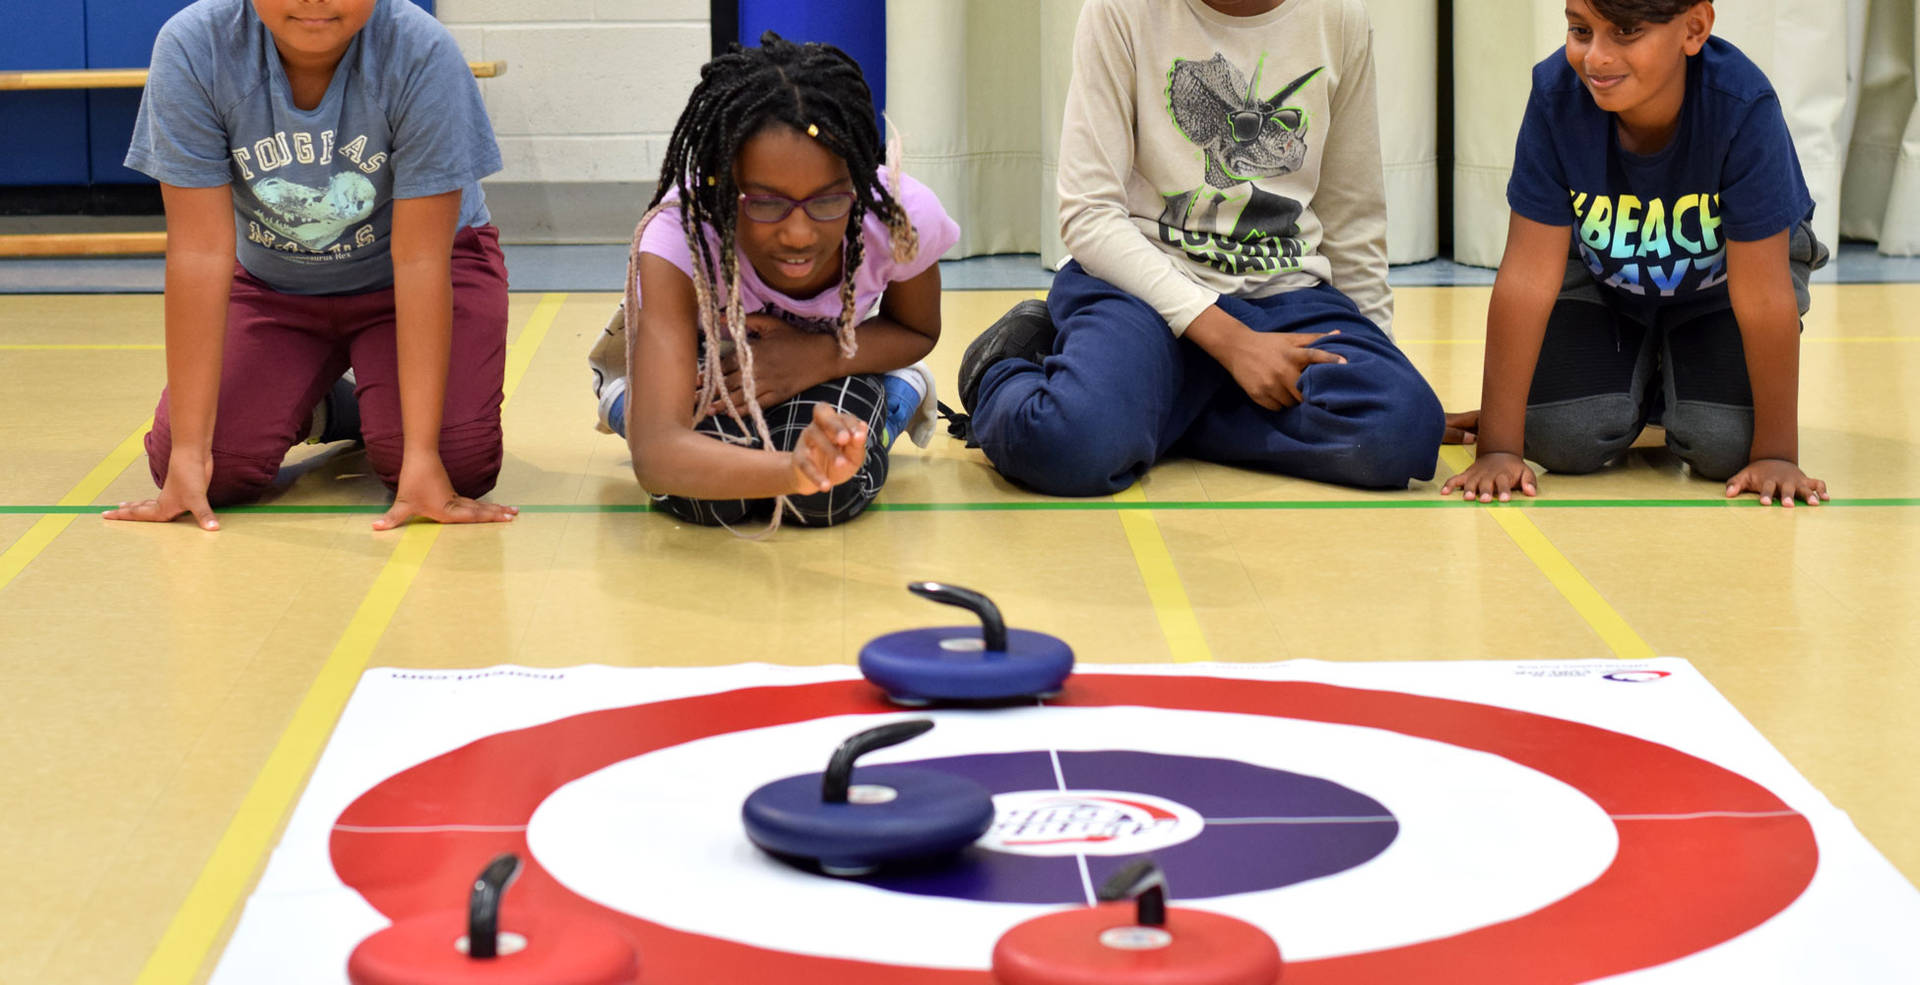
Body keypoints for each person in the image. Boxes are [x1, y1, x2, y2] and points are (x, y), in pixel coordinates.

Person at [954, 0, 1445, 497]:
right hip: (1139, 293)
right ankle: (1004, 370)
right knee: (1067, 446)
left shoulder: (1338, 17)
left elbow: (1352, 215)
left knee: (1403, 434)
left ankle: (1150, 414)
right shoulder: (1119, 11)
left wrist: (1383, 368)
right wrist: (1232, 343)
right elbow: (1089, 214)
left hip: (1287, 298)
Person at [108, 0, 515, 532]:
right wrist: (187, 448)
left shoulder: (421, 51)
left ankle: (382, 409)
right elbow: (200, 252)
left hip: (413, 277)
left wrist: (419, 455)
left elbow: (420, 260)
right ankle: (331, 404)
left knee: (455, 462)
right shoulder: (194, 45)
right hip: (274, 283)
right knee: (203, 470)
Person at [1441, 0, 1830, 507]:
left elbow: (1761, 297)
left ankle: (1673, 369)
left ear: (1694, 28)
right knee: (1561, 437)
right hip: (1608, 279)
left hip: (1726, 285)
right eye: (1581, 30)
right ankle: (1643, 371)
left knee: (1724, 446)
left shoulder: (1741, 104)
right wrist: (1498, 446)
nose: (1596, 58)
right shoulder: (1556, 95)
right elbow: (1526, 280)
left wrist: (1778, 456)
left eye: (1625, 32)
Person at [587, 32, 957, 529]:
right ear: (722, 181)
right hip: (710, 362)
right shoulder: (681, 234)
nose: (799, 234)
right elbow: (657, 457)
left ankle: (896, 396)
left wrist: (813, 356)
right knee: (702, 500)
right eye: (764, 203)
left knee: (828, 495)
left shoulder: (897, 214)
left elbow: (916, 331)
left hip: (837, 355)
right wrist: (791, 469)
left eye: (828, 200)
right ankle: (628, 401)